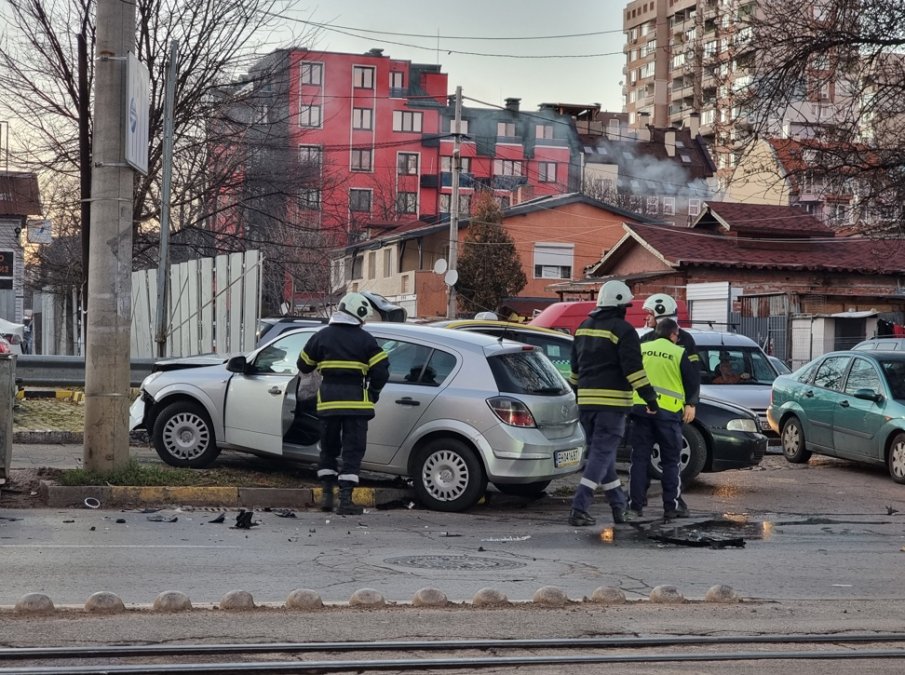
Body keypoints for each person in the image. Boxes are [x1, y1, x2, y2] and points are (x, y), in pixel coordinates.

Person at [567, 280, 660, 527]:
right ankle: (579, 506)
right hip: (612, 405)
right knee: (599, 455)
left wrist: (577, 394)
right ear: (620, 305)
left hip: (586, 403)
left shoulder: (583, 327)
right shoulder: (624, 330)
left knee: (604, 458)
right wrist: (650, 398)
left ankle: (619, 507)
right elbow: (634, 371)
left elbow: (574, 371)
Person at [297, 292, 389, 515]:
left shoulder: (322, 336)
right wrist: (373, 392)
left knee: (328, 449)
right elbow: (381, 371)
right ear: (357, 314)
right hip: (357, 405)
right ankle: (345, 500)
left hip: (328, 403)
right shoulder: (366, 340)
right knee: (352, 450)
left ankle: (327, 496)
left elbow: (303, 364)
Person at [628, 318, 699, 520]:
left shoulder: (642, 348)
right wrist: (691, 404)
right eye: (677, 336)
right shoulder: (678, 352)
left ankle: (635, 506)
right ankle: (671, 506)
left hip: (641, 410)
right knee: (670, 462)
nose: (678, 339)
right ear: (672, 334)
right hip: (667, 414)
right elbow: (691, 382)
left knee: (639, 460)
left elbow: (630, 374)